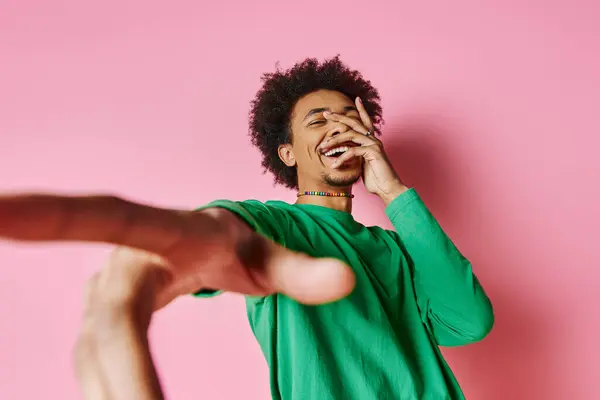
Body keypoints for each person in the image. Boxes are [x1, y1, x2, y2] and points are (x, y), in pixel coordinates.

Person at [0, 56, 494, 400]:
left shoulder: (397, 247)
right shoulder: (276, 226)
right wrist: (165, 254)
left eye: (349, 117)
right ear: (287, 153)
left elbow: (469, 321)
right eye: (318, 121)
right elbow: (223, 231)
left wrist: (393, 193)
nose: (339, 127)